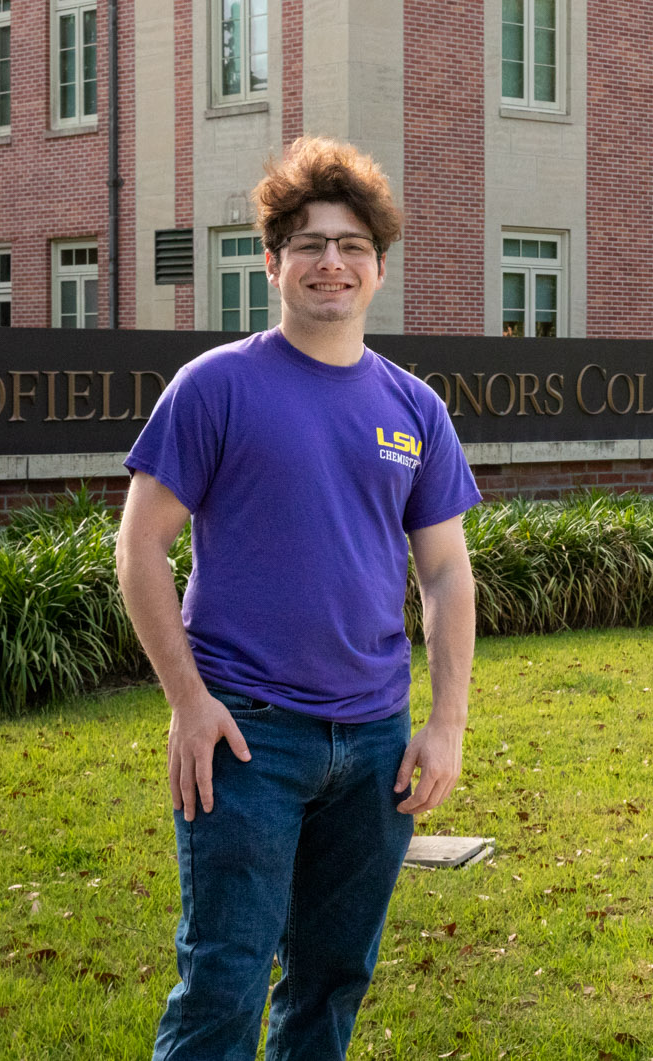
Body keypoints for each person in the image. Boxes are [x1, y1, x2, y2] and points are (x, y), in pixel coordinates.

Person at [116, 136, 480, 1060]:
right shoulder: (215, 387)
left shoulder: (415, 408)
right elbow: (140, 546)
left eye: (352, 245)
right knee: (224, 984)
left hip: (373, 748)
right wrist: (190, 705)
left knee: (331, 983)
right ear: (272, 261)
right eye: (310, 243)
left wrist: (445, 724)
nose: (332, 262)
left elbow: (444, 572)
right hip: (247, 736)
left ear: (379, 268)